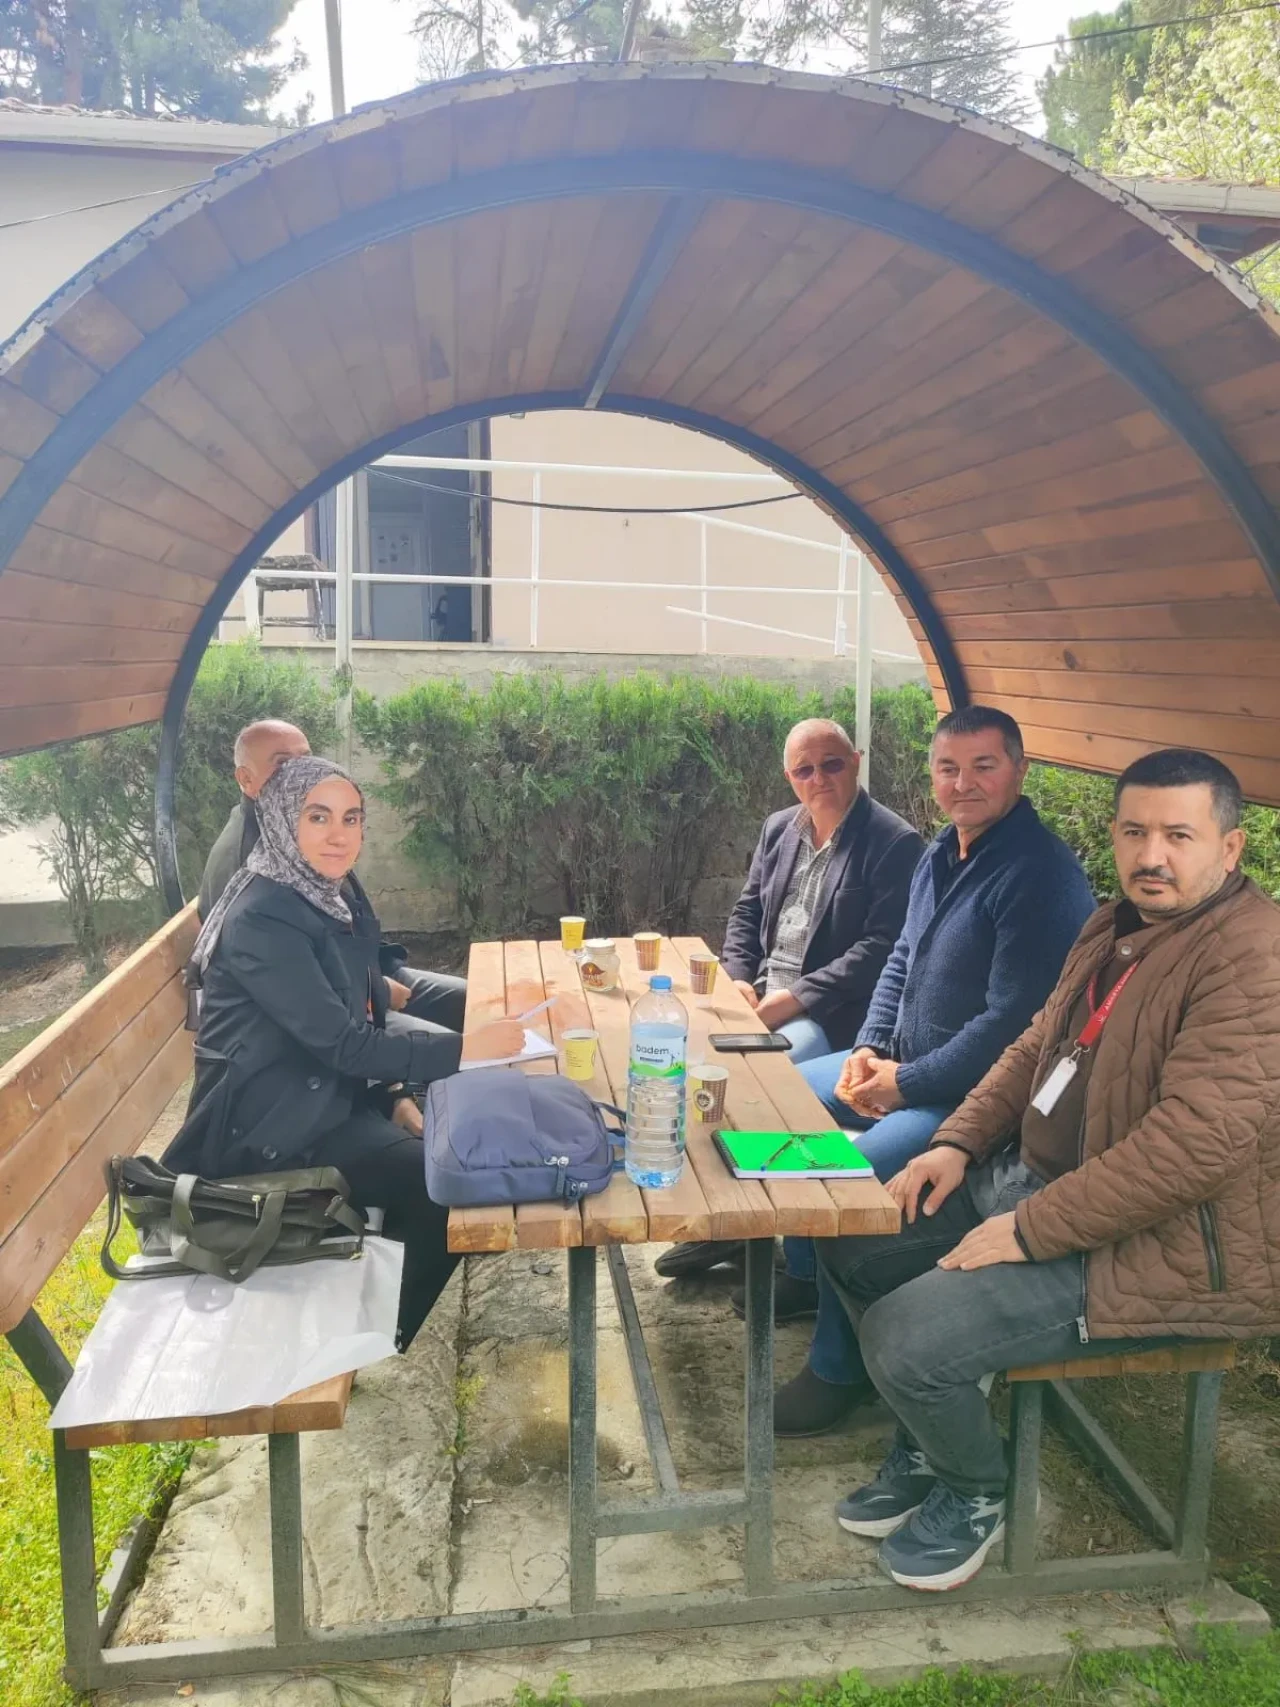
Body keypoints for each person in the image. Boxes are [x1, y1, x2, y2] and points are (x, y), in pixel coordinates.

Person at [818, 747, 1280, 1593]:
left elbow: (1193, 1145)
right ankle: (931, 1435)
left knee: (904, 1336)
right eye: (1135, 831)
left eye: (1178, 835)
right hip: (1032, 1187)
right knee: (854, 1237)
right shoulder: (1113, 925)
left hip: (1155, 1246)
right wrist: (956, 1142)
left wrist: (1030, 1230)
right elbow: (1038, 1042)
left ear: (1230, 847)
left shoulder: (1252, 955)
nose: (1151, 854)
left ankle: (976, 1489)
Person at [771, 705, 1095, 1436]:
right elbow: (901, 959)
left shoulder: (1040, 876)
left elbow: (1011, 1027)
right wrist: (868, 1046)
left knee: (845, 1182)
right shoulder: (944, 850)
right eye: (949, 767)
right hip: (900, 1064)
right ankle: (805, 1276)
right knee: (777, 1101)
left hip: (970, 1103)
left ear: (1019, 770)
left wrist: (904, 1084)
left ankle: (839, 1369)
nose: (963, 783)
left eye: (984, 766)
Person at [167, 755, 524, 1351]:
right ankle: (365, 1345)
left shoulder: (324, 891)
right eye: (318, 817)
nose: (339, 834)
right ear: (282, 819)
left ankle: (372, 1321)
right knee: (443, 1188)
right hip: (270, 1129)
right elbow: (343, 1042)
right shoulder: (263, 917)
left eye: (351, 818)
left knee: (469, 1137)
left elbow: (361, 1009)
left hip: (324, 1100)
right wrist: (466, 1051)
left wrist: (393, 1096)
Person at [656, 718, 924, 1283]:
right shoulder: (779, 828)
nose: (818, 778)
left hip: (830, 1015)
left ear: (856, 761)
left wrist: (792, 1000)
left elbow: (878, 950)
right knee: (683, 1064)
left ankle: (740, 1229)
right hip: (759, 996)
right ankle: (726, 1217)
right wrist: (739, 978)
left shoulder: (893, 842)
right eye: (804, 770)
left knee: (755, 1085)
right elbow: (747, 911)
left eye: (831, 764)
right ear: (789, 777)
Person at [199, 719, 467, 1068]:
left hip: (367, 979)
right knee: (475, 1053)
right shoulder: (254, 863)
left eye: (306, 757)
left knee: (481, 1001)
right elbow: (313, 1010)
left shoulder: (305, 831)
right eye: (282, 763)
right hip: (320, 1027)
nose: (301, 770)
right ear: (246, 779)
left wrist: (378, 979)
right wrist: (379, 991)